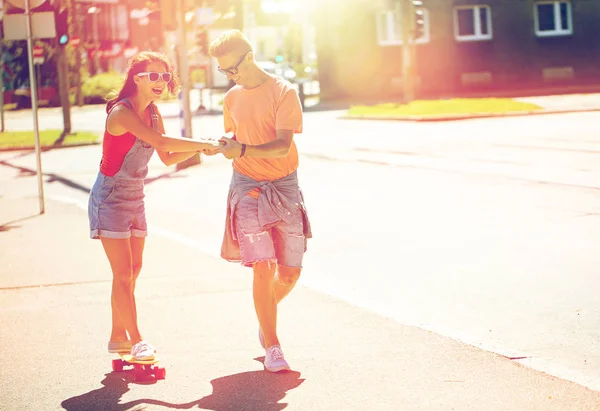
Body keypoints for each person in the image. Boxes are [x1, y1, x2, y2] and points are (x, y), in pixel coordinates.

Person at [88, 51, 220, 360]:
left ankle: (117, 337)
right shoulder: (122, 113)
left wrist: (202, 151)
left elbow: (168, 157)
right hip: (110, 197)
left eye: (165, 76)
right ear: (137, 79)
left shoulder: (154, 113)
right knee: (122, 274)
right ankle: (137, 340)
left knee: (132, 271)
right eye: (154, 76)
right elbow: (161, 143)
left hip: (135, 196)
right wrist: (202, 142)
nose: (161, 82)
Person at [208, 30, 312, 372]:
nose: (229, 77)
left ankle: (264, 319)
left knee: (290, 272)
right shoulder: (232, 98)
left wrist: (242, 148)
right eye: (223, 71)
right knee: (263, 266)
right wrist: (226, 143)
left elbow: (283, 145)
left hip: (283, 185)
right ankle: (273, 344)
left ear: (249, 57)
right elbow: (236, 136)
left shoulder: (284, 92)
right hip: (247, 185)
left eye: (232, 69)